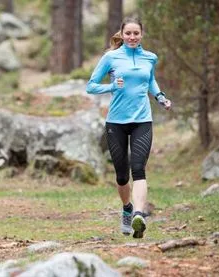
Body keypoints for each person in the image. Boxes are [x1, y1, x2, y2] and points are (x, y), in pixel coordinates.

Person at [86, 17, 172, 238]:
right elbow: (91, 86)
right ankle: (126, 208)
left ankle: (139, 215)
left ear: (141, 34)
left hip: (142, 120)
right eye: (128, 34)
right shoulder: (111, 57)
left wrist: (160, 96)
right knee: (122, 176)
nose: (132, 37)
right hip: (116, 122)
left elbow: (150, 80)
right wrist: (113, 85)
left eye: (136, 33)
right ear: (122, 35)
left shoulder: (150, 57)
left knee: (139, 169)